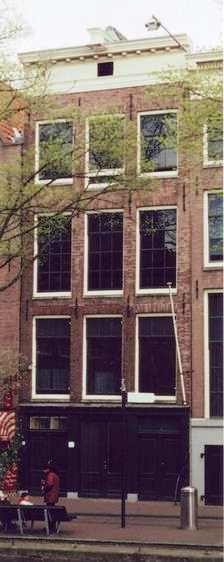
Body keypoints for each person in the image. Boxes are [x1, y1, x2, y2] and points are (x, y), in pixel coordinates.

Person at [41, 461, 60, 533]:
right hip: (54, 496)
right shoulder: (55, 475)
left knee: (49, 512)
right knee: (51, 511)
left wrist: (44, 485)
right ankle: (51, 527)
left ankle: (50, 527)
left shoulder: (50, 475)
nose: (43, 471)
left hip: (50, 496)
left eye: (44, 469)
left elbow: (50, 485)